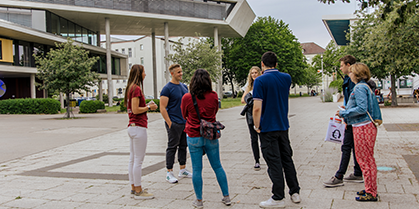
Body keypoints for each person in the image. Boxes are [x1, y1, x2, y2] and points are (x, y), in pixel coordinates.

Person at [253, 52, 301, 208]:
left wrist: (256, 125)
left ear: (262, 64)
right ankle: (295, 191)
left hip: (267, 127)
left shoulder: (260, 81)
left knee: (274, 162)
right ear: (276, 64)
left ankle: (278, 196)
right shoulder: (286, 78)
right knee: (287, 159)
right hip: (282, 125)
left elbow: (257, 108)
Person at [181, 69, 231, 208]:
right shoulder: (214, 96)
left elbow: (184, 114)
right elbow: (214, 112)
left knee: (197, 169)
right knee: (217, 166)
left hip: (193, 135)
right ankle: (226, 197)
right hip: (210, 134)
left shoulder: (186, 97)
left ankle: (199, 200)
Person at [336, 63, 382, 201]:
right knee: (366, 159)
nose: (349, 75)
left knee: (365, 160)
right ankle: (370, 188)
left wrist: (345, 112)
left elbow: (362, 108)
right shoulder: (364, 86)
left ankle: (371, 193)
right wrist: (349, 108)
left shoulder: (360, 87)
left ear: (356, 74)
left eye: (350, 72)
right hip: (363, 125)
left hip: (363, 127)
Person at [323, 55, 363, 187]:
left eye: (341, 65)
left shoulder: (353, 81)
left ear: (348, 65)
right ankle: (358, 173)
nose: (340, 68)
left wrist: (345, 114)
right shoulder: (349, 79)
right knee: (354, 146)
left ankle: (339, 176)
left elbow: (358, 104)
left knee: (346, 146)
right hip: (351, 118)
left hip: (353, 119)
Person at [124, 64, 158, 199]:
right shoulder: (136, 89)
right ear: (139, 73)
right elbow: (136, 109)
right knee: (138, 160)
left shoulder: (129, 88)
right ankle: (138, 190)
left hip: (132, 127)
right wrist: (149, 107)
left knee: (133, 160)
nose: (145, 74)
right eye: (144, 72)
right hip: (138, 127)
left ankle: (134, 187)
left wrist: (146, 106)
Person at [160, 64, 192, 184]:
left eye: (181, 71)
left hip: (184, 122)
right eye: (178, 72)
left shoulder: (184, 87)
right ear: (172, 74)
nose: (181, 74)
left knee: (183, 146)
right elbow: (162, 108)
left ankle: (183, 169)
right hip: (174, 123)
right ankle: (169, 172)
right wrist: (170, 123)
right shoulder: (167, 88)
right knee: (172, 146)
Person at [240, 66, 262, 171]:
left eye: (256, 72)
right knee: (253, 138)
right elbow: (243, 100)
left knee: (263, 137)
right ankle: (256, 160)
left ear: (259, 73)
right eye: (252, 73)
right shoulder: (249, 86)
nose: (254, 74)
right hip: (250, 114)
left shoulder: (262, 83)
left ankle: (268, 157)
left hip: (261, 113)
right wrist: (250, 96)